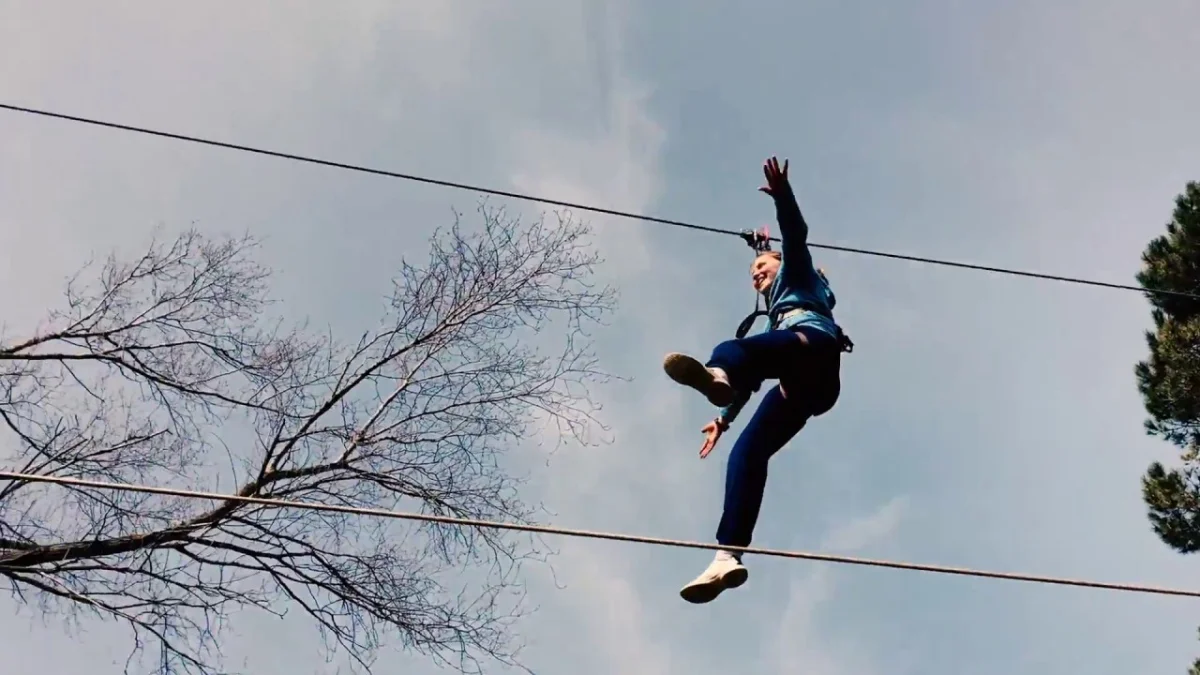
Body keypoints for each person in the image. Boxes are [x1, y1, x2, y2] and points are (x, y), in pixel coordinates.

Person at [662, 156, 848, 604]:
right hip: (805, 389)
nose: (756, 277)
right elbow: (754, 376)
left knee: (738, 349)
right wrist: (723, 419)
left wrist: (783, 197)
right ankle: (728, 554)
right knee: (748, 452)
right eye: (751, 276)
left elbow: (795, 239)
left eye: (761, 269)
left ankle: (716, 372)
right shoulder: (775, 320)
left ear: (780, 265)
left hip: (813, 347)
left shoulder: (800, 277)